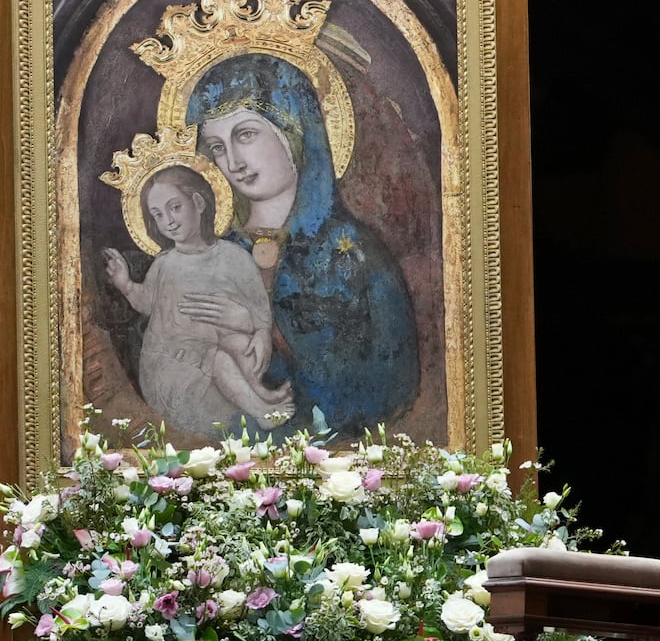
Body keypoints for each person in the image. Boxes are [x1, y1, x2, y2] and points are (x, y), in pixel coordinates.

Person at [179, 52, 421, 437]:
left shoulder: (354, 254)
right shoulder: (209, 253)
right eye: (217, 147)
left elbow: (388, 383)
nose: (234, 162)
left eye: (245, 135)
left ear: (294, 133)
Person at [101, 165, 293, 436]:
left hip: (211, 350)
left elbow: (259, 307)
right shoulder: (165, 264)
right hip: (171, 365)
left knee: (240, 344)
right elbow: (146, 304)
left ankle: (260, 393)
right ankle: (261, 412)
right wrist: (126, 284)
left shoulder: (234, 257)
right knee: (219, 359)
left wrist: (261, 333)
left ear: (199, 203)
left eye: (175, 207)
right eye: (157, 214)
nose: (168, 220)